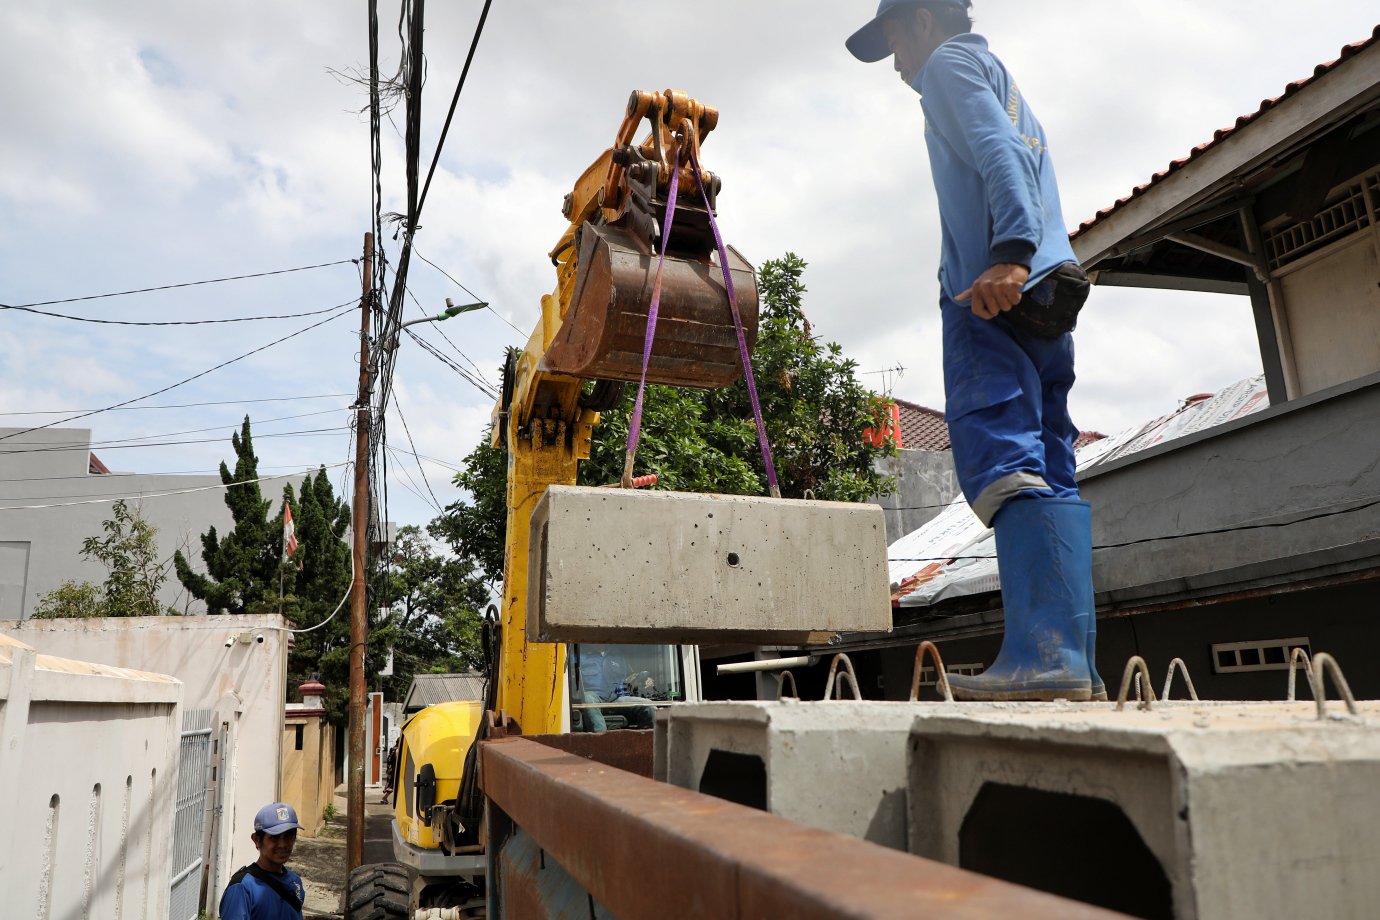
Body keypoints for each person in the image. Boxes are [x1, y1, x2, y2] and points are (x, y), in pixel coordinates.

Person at [847, 0, 1103, 701]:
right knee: (1051, 463)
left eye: (895, 37)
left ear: (924, 20)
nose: (897, 59)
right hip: (1049, 293)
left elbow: (1000, 152)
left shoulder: (949, 66)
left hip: (995, 294)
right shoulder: (996, 71)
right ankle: (1073, 661)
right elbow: (1017, 152)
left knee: (1001, 457)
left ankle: (1042, 658)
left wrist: (1010, 253)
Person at [219, 802, 307, 920]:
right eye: (274, 837)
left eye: (289, 835)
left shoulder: (295, 881)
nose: (283, 844)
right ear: (257, 840)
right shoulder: (242, 887)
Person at [577, 645, 656, 731]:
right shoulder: (579, 654)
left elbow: (630, 678)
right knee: (588, 697)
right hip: (594, 700)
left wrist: (642, 683)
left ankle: (649, 742)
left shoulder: (618, 654)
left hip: (617, 699)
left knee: (649, 706)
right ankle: (601, 741)